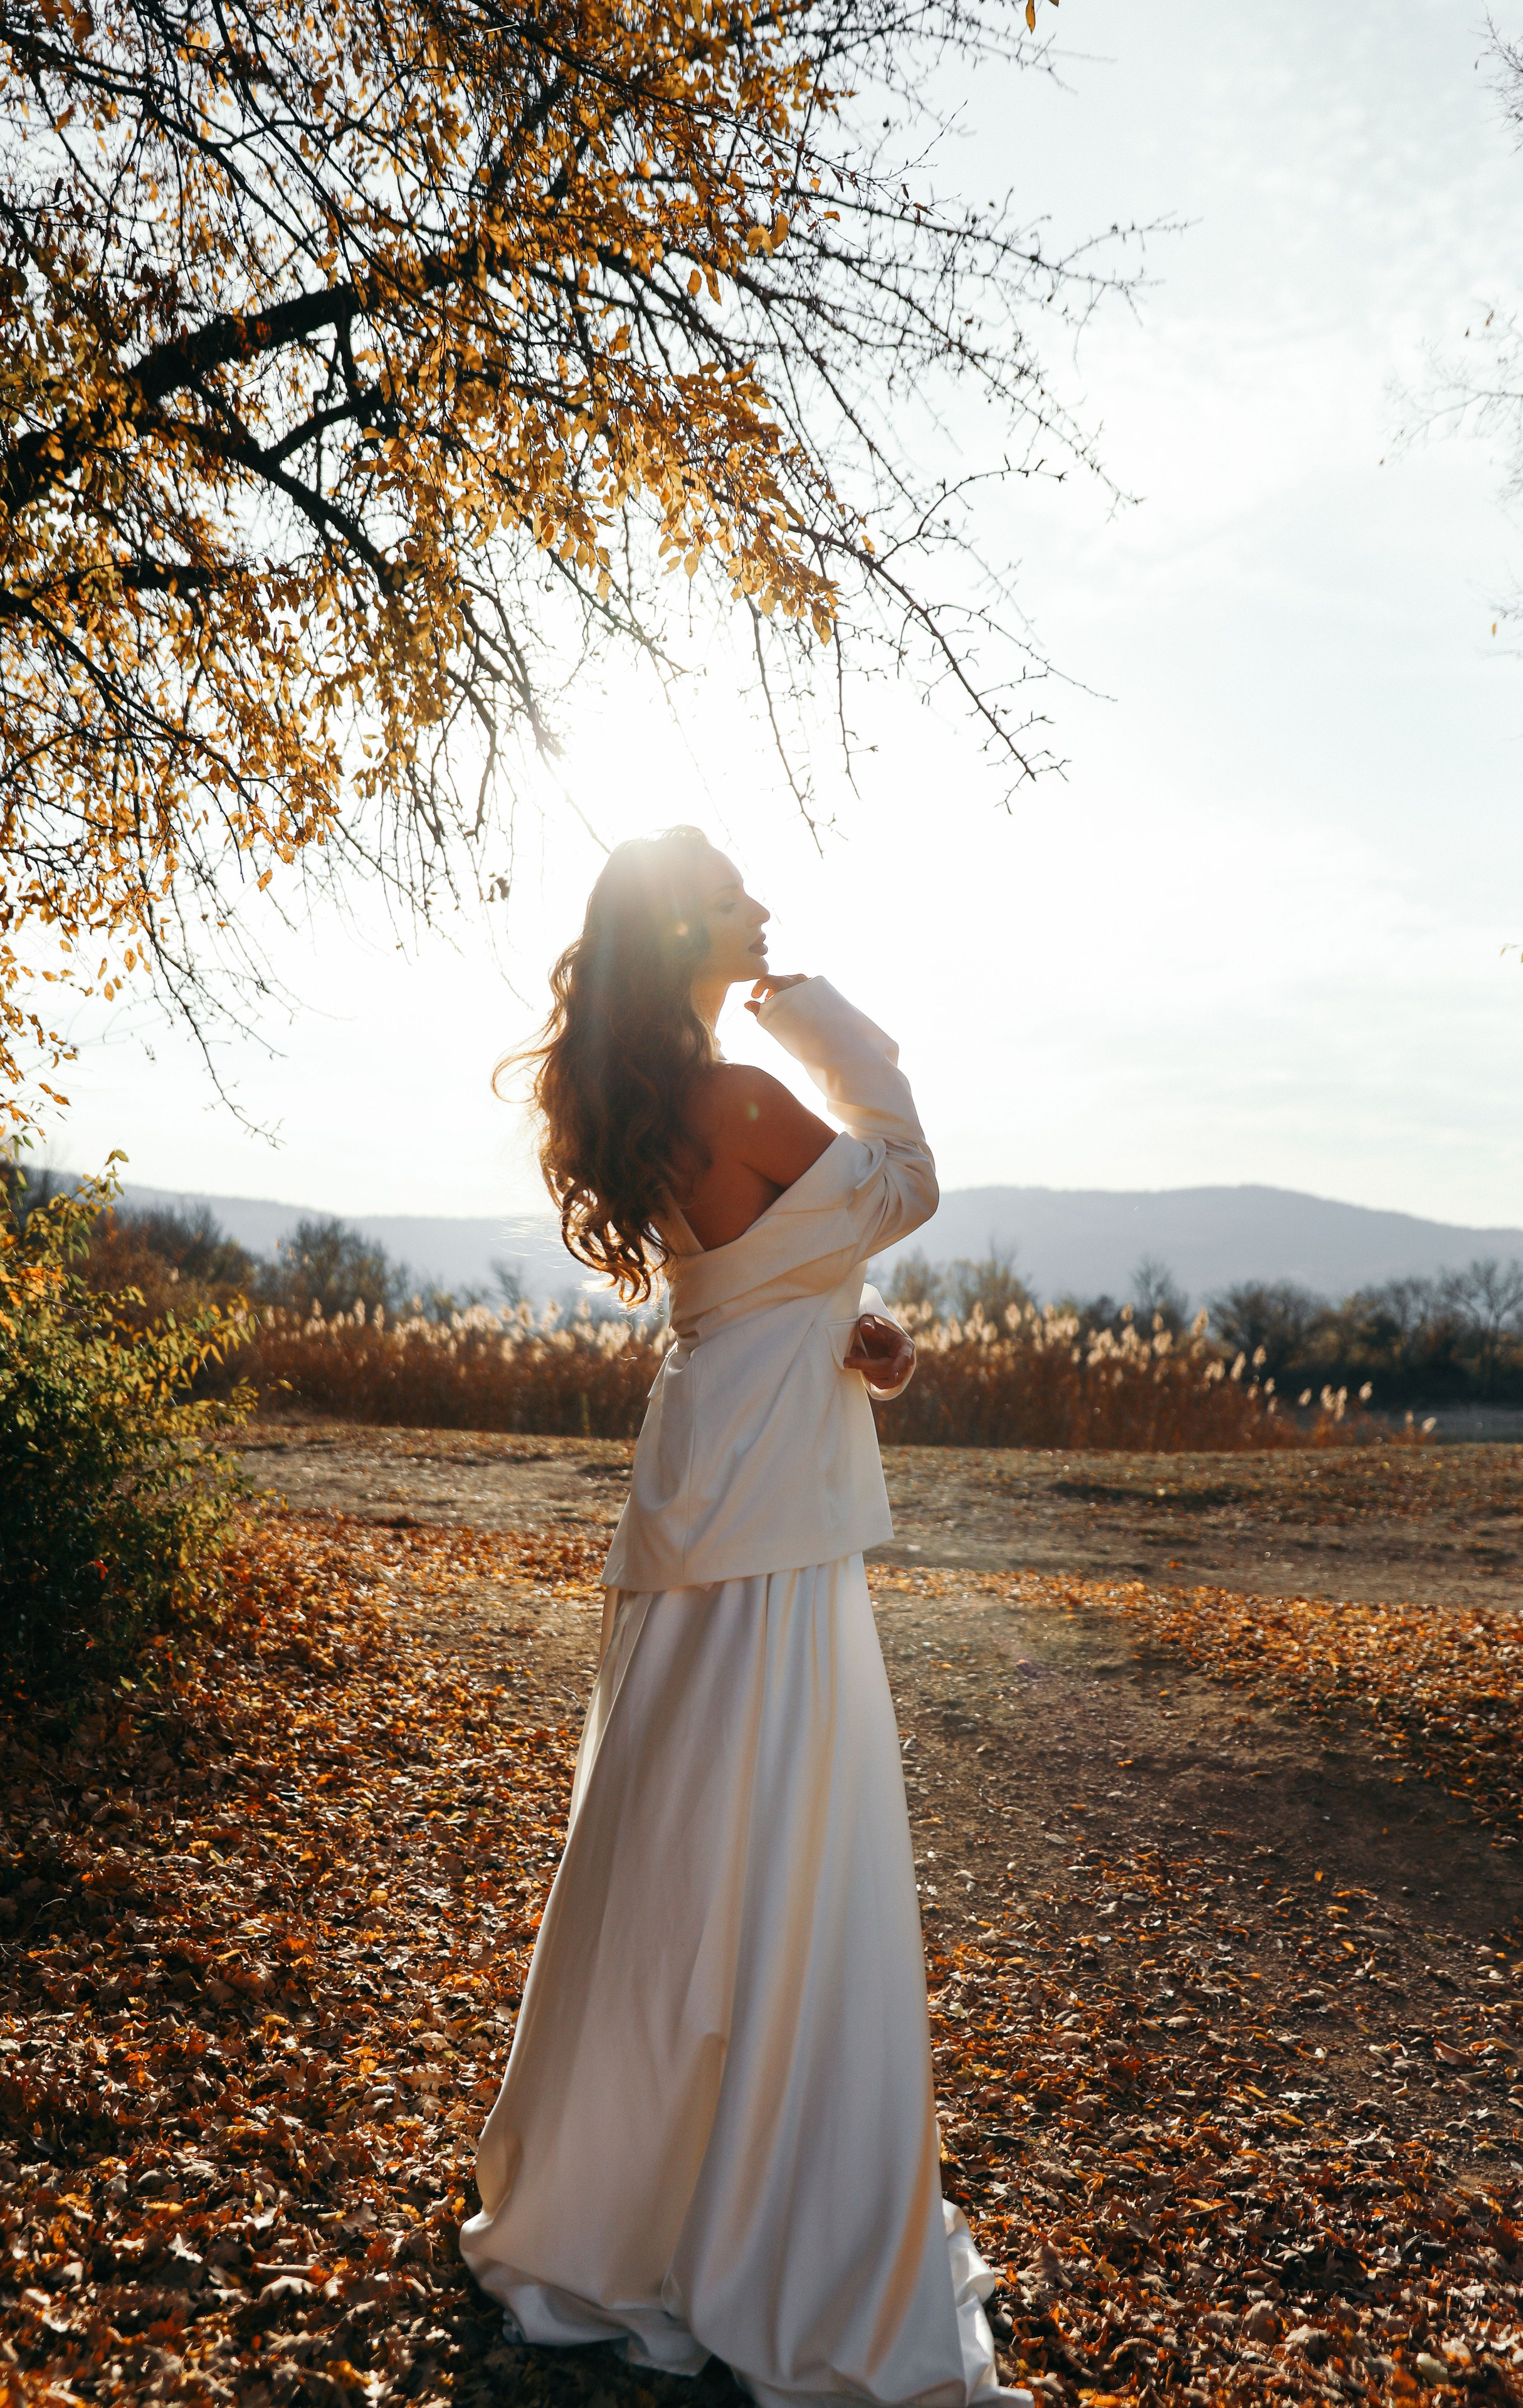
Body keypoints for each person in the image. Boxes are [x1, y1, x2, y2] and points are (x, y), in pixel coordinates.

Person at [461, 825, 1026, 2408]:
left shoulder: (648, 1108)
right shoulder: (742, 1091)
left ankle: (622, 2189)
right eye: (732, 894)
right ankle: (770, 2214)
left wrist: (853, 1334)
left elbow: (753, 1279)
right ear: (686, 935)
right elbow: (901, 1183)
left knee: (668, 1852)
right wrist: (830, 1024)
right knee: (774, 1848)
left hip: (704, 1489)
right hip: (770, 1539)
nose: (763, 907)